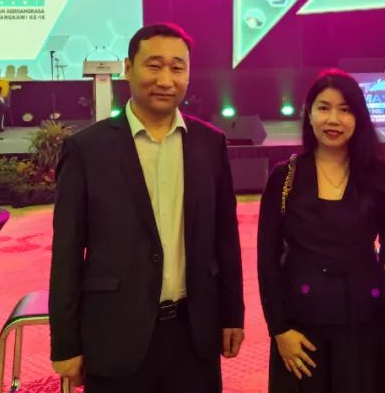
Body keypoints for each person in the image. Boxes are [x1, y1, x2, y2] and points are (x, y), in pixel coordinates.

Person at [50, 23, 245, 393]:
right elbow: (67, 253)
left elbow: (225, 238)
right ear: (128, 68)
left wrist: (232, 314)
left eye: (177, 67)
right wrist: (65, 343)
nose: (166, 80)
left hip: (194, 333)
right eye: (154, 66)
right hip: (116, 334)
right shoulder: (87, 150)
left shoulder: (209, 143)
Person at [257, 69, 385, 393]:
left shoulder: (376, 176)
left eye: (345, 109)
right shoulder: (284, 177)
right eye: (324, 108)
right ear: (309, 114)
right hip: (300, 326)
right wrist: (279, 329)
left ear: (358, 117)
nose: (333, 119)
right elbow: (267, 260)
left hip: (362, 322)